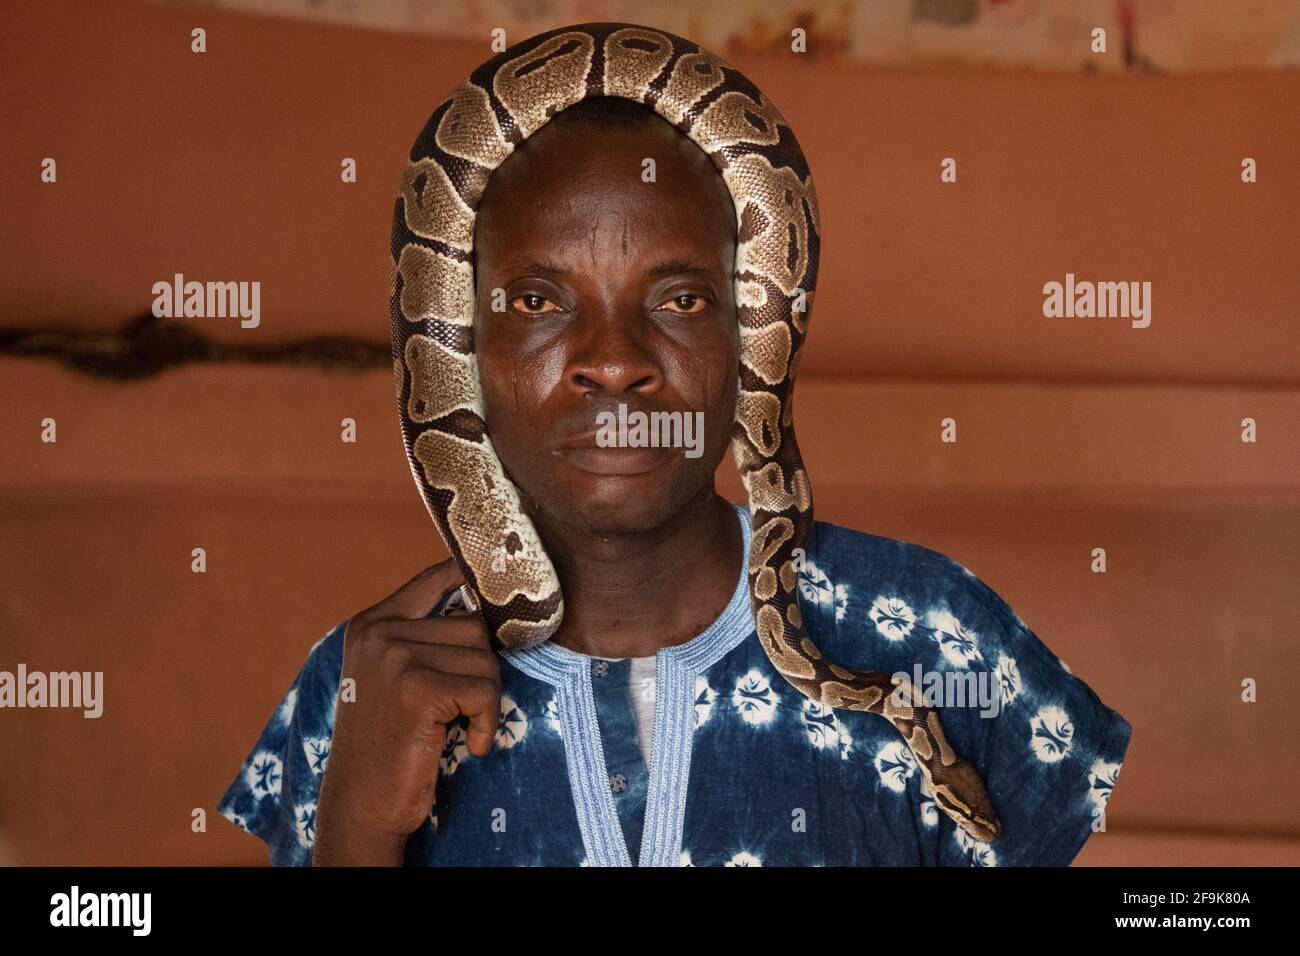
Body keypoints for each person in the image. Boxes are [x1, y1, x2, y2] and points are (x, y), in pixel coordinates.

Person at [217, 90, 1130, 868]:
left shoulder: (942, 635)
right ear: (457, 352)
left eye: (681, 299)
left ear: (750, 342)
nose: (613, 364)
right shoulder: (358, 686)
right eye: (538, 301)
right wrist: (354, 835)